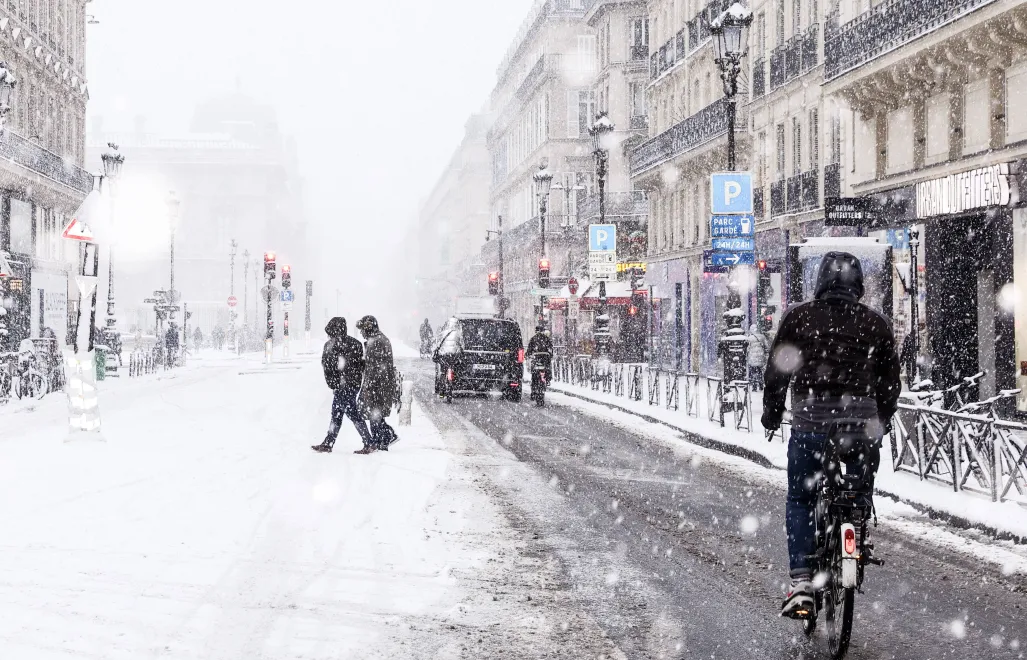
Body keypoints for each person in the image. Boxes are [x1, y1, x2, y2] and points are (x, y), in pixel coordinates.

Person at [761, 251, 900, 618]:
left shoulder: (800, 318)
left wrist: (772, 414)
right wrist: (880, 421)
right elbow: (890, 383)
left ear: (821, 282)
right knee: (857, 489)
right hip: (860, 424)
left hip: (811, 422)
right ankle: (855, 527)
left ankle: (802, 581)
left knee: (802, 499)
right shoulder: (876, 324)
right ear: (858, 285)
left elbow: (778, 372)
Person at [313, 317, 374, 454]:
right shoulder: (356, 344)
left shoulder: (331, 345)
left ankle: (368, 442)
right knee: (337, 413)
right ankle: (329, 442)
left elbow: (328, 367)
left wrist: (334, 383)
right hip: (352, 385)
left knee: (350, 414)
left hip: (342, 386)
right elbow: (362, 365)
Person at [356, 315, 398, 452]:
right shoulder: (378, 339)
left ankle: (380, 441)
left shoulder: (376, 341)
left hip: (378, 385)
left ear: (369, 327)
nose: (361, 332)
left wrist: (369, 387)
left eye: (363, 329)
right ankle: (384, 438)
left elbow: (374, 368)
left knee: (374, 414)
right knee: (375, 414)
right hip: (382, 384)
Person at [526, 323, 553, 403]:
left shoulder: (533, 339)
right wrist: (549, 356)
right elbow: (551, 350)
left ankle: (534, 391)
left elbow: (529, 351)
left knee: (534, 375)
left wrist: (527, 355)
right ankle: (547, 379)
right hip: (545, 360)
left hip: (536, 360)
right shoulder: (547, 339)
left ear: (536, 331)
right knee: (547, 369)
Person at [746, 323, 768, 391]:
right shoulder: (762, 337)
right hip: (761, 357)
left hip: (752, 357)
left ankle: (754, 386)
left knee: (753, 372)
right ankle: (761, 385)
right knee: (760, 371)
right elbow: (766, 347)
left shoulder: (749, 338)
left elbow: (747, 348)